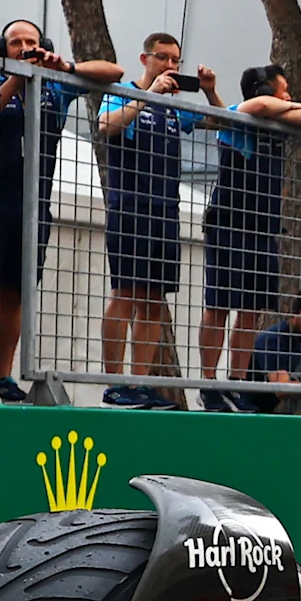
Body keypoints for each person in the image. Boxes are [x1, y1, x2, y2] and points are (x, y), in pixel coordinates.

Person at [0, 20, 119, 403]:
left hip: (32, 203)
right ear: (2, 48)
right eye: (16, 42)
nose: (25, 47)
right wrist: (15, 79)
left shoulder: (55, 86)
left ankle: (2, 376)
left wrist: (65, 68)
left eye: (32, 41)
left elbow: (114, 72)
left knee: (15, 291)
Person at [197, 64, 301, 408]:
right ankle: (208, 380)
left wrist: (294, 108)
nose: (288, 96)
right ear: (265, 90)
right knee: (220, 303)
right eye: (283, 90)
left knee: (252, 308)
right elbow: (261, 108)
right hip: (230, 223)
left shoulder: (278, 123)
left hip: (263, 227)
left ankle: (237, 382)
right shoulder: (242, 114)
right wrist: (290, 106)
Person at [95, 33, 210, 408]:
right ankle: (115, 382)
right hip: (130, 206)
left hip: (166, 211)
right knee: (125, 292)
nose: (170, 66)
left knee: (154, 298)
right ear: (145, 58)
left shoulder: (175, 106)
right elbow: (105, 125)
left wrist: (208, 90)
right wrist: (147, 92)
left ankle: (139, 381)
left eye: (176, 60)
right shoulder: (124, 91)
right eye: (163, 58)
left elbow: (220, 119)